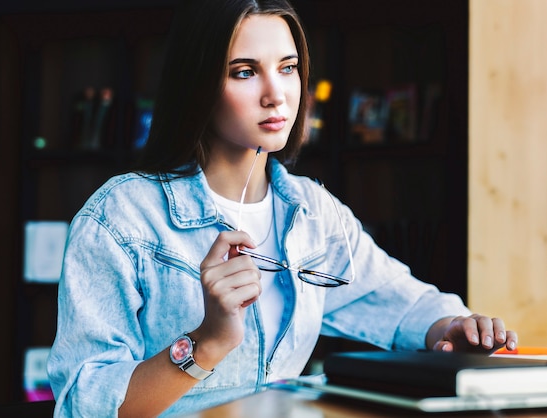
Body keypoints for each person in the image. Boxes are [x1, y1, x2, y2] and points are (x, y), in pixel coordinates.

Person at [47, 0, 518, 417]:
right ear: (199, 83)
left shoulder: (312, 212)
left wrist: (456, 325)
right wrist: (207, 342)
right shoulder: (122, 217)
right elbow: (80, 406)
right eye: (244, 71)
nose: (277, 95)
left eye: (288, 67)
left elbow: (402, 302)